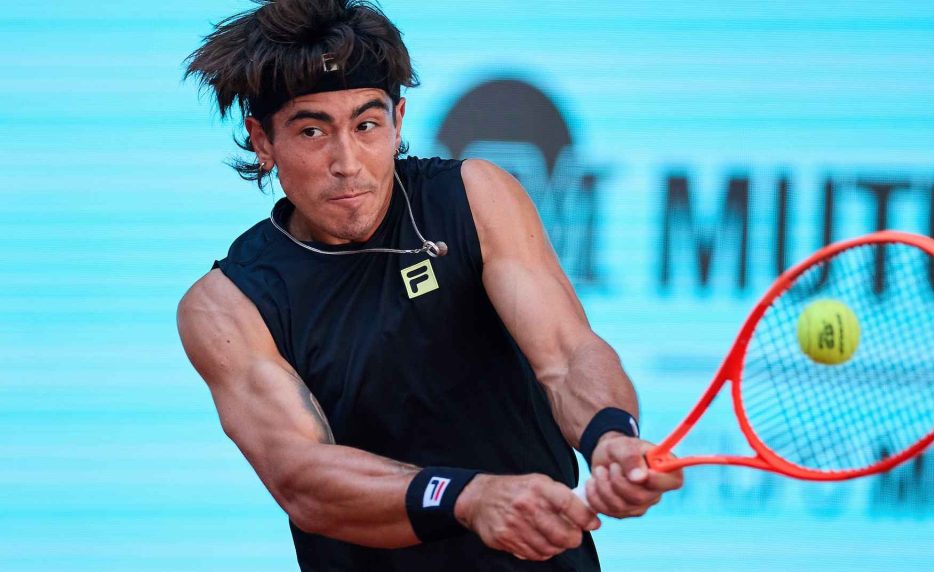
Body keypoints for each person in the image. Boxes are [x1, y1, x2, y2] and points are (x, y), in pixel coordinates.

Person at [177, 1, 683, 570]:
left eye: (367, 125)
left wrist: (610, 436)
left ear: (398, 121)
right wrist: (469, 498)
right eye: (312, 130)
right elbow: (302, 478)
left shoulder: (474, 196)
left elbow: (566, 354)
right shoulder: (227, 304)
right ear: (262, 141)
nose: (347, 162)